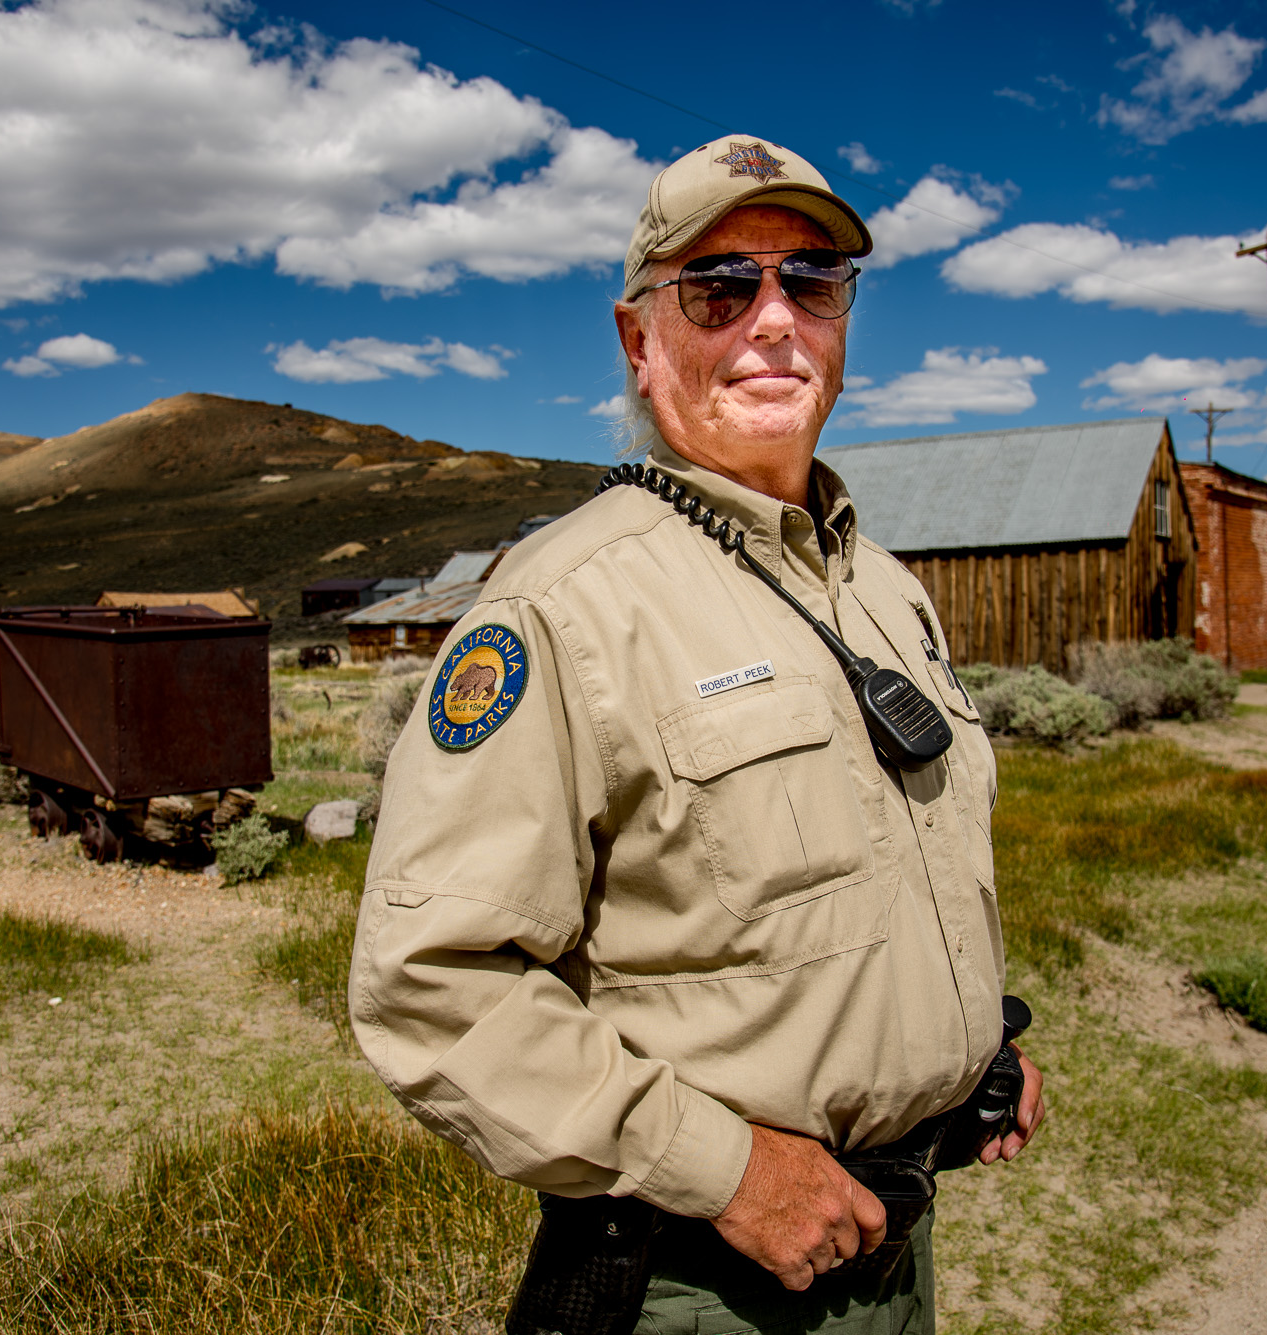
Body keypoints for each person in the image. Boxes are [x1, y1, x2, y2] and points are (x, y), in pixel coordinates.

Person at [351, 134, 1043, 1332]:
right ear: (639, 338)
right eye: (720, 287)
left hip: (895, 1244)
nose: (772, 320)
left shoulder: (882, 586)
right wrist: (724, 1170)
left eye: (811, 282)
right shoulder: (561, 604)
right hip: (698, 1279)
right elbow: (429, 983)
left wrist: (965, 1042)